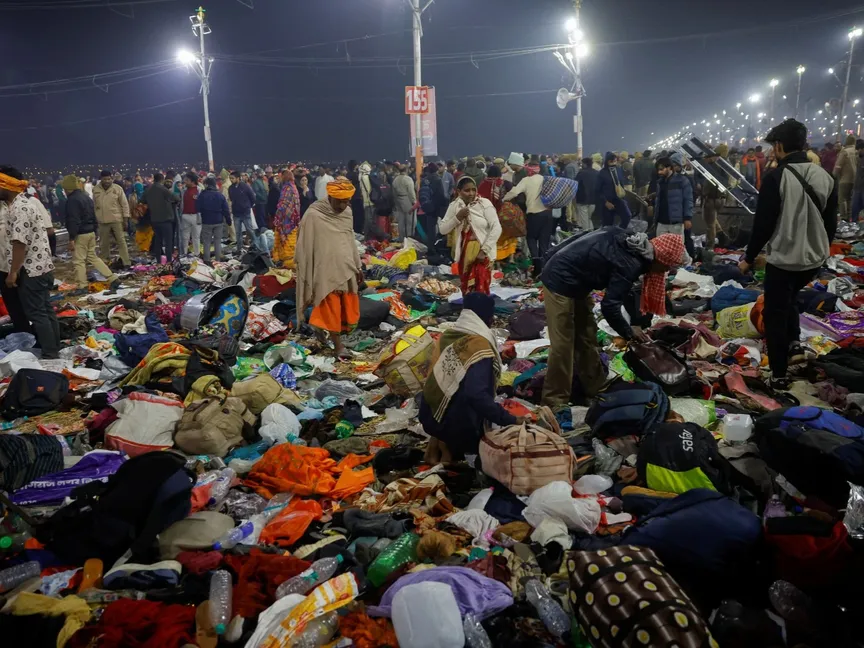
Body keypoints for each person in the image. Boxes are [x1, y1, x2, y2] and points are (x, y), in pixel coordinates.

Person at [739, 119, 838, 389]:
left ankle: (779, 373)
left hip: (784, 259)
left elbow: (764, 224)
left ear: (780, 146)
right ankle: (794, 342)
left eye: (774, 147)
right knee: (791, 299)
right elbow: (831, 224)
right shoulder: (825, 176)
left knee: (775, 312)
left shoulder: (776, 178)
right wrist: (820, 251)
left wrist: (748, 257)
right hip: (813, 260)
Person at [541, 230, 689, 408]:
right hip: (558, 279)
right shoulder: (631, 262)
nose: (666, 271)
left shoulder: (635, 244)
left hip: (579, 282)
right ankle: (554, 402)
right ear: (660, 259)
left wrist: (633, 325)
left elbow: (623, 290)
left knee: (587, 336)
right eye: (667, 266)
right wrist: (627, 332)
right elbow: (609, 306)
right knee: (563, 345)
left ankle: (596, 389)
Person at [419, 292, 521, 463]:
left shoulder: (449, 335)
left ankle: (440, 444)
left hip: (429, 416)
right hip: (454, 427)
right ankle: (450, 448)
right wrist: (510, 420)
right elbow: (477, 395)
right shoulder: (479, 346)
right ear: (487, 318)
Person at [295, 178, 363, 361]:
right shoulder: (314, 215)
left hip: (346, 266)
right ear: (330, 196)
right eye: (339, 201)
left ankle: (322, 330)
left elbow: (349, 239)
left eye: (346, 201)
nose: (343, 205)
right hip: (324, 268)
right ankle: (338, 346)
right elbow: (304, 245)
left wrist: (358, 265)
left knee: (344, 307)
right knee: (331, 305)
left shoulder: (347, 213)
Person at [0, 167, 60, 357]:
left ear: (7, 186)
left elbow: (19, 244)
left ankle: (50, 353)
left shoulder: (20, 208)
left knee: (37, 313)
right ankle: (53, 348)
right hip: (40, 267)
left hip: (31, 270)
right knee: (45, 310)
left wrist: (13, 272)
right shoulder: (25, 204)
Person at [439, 176, 501, 295]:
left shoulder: (484, 204)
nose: (471, 193)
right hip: (464, 255)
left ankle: (481, 312)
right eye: (467, 190)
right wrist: (458, 217)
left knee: (481, 288)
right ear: (458, 192)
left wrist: (484, 250)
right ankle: (469, 311)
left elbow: (496, 228)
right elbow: (442, 229)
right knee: (467, 289)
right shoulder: (455, 206)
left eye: (474, 189)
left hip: (483, 254)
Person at [63, 175, 121, 291]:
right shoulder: (86, 197)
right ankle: (113, 278)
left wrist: (71, 239)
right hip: (90, 232)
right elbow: (94, 216)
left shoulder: (72, 200)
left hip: (81, 234)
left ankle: (82, 286)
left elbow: (74, 220)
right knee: (93, 257)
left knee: (78, 261)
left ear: (68, 188)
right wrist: (95, 231)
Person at [504, 159, 552, 275]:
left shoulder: (526, 180)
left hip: (534, 214)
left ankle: (536, 266)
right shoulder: (545, 179)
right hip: (548, 214)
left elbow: (514, 192)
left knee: (531, 238)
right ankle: (544, 268)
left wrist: (503, 199)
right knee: (544, 241)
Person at [92, 170, 131, 268]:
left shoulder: (117, 189)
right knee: (103, 243)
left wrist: (125, 219)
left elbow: (125, 204)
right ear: (101, 179)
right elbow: (94, 205)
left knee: (121, 241)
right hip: (102, 221)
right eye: (105, 179)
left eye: (109, 179)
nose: (107, 181)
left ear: (112, 179)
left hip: (116, 219)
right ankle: (105, 262)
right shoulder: (96, 189)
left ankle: (126, 262)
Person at [653, 156, 693, 239]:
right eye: (658, 170)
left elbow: (688, 199)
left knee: (677, 249)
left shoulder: (682, 180)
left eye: (661, 169)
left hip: (676, 223)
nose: (659, 172)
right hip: (661, 222)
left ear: (669, 167)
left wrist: (687, 218)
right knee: (660, 249)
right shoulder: (660, 182)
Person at [141, 172, 179, 261]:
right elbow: (176, 198)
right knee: (168, 242)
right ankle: (169, 261)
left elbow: (142, 201)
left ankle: (158, 260)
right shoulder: (163, 189)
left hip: (154, 219)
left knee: (158, 241)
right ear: (162, 179)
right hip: (166, 219)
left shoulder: (148, 189)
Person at [196, 176, 230, 265]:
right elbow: (226, 209)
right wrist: (228, 220)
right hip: (218, 221)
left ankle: (207, 260)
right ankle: (217, 260)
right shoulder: (220, 195)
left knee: (206, 242)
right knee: (217, 241)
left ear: (206, 185)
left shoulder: (202, 195)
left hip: (206, 221)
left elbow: (197, 207)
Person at [595, 152, 631, 229]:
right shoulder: (602, 173)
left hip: (619, 199)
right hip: (608, 201)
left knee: (627, 216)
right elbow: (597, 190)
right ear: (607, 161)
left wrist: (623, 198)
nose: (614, 163)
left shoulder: (618, 170)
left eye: (615, 161)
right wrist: (605, 202)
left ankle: (619, 232)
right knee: (607, 225)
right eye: (612, 161)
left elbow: (621, 183)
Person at [272, 168, 301, 267]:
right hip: (293, 221)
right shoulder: (294, 187)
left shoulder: (287, 188)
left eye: (281, 176)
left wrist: (278, 216)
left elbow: (283, 205)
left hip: (286, 221)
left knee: (286, 244)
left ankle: (287, 264)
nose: (279, 179)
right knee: (291, 242)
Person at [698, 149, 726, 248]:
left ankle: (710, 247)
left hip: (710, 199)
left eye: (705, 158)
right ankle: (721, 234)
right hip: (720, 198)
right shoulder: (722, 167)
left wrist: (702, 191)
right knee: (712, 219)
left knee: (710, 224)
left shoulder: (709, 170)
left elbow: (707, 186)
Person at [228, 170, 259, 255]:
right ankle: (239, 248)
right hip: (236, 213)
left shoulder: (245, 186)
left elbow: (253, 198)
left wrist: (247, 206)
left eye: (232, 178)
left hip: (245, 213)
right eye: (230, 178)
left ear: (238, 178)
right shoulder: (231, 188)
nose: (231, 180)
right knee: (238, 232)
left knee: (250, 230)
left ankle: (256, 245)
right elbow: (231, 199)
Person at [419, 162, 447, 251]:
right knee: (443, 226)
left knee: (430, 228)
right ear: (436, 170)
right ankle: (439, 245)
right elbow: (441, 195)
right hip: (437, 206)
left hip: (428, 207)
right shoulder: (438, 179)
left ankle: (430, 247)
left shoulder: (424, 180)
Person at [834, 134, 857, 220]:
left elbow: (838, 166)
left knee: (842, 199)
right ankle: (849, 216)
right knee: (850, 199)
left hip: (844, 179)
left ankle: (844, 218)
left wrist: (833, 176)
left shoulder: (845, 151)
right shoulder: (856, 151)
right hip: (854, 180)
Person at [391, 164, 416, 242]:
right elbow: (411, 192)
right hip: (407, 200)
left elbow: (393, 193)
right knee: (410, 221)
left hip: (398, 200)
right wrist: (414, 202)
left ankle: (402, 238)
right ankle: (409, 238)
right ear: (406, 170)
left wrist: (396, 202)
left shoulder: (395, 179)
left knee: (401, 220)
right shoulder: (408, 179)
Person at [179, 172, 201, 257]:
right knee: (185, 237)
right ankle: (184, 253)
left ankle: (197, 254)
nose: (185, 182)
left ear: (193, 182)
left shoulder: (199, 190)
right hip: (185, 216)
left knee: (196, 237)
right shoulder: (184, 190)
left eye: (187, 180)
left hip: (196, 216)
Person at [574, 157, 598, 231]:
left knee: (584, 219)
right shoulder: (596, 173)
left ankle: (586, 234)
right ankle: (591, 232)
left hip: (582, 199)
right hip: (594, 199)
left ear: (585, 164)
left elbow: (575, 184)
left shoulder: (581, 173)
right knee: (589, 218)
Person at [357, 162, 375, 237]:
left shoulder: (361, 177)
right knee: (369, 221)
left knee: (367, 220)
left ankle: (367, 237)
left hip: (365, 201)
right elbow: (369, 190)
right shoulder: (366, 177)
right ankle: (369, 237)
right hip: (369, 202)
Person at [850, 140, 864, 222]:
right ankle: (854, 224)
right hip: (857, 187)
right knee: (854, 208)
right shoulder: (859, 158)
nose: (858, 151)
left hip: (862, 188)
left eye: (859, 150)